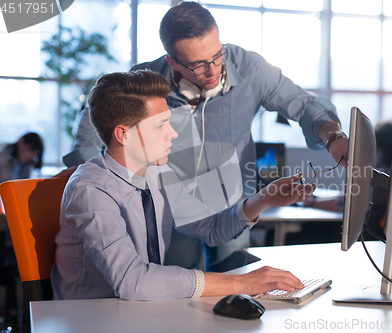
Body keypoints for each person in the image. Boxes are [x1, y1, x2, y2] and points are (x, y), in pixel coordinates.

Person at [63, 1, 349, 271]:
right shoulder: (146, 85)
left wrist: (334, 137)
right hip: (169, 204)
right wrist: (101, 188)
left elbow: (304, 104)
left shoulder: (251, 69)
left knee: (235, 283)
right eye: (199, 64)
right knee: (175, 290)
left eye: (217, 55)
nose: (213, 70)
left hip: (233, 203)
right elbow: (92, 131)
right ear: (173, 63)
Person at [50, 69, 315, 300]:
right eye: (161, 125)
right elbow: (133, 281)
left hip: (144, 312)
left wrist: (264, 199)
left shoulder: (159, 173)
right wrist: (241, 283)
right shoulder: (91, 190)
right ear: (123, 134)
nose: (173, 133)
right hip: (90, 319)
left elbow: (211, 229)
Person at [304, 121, 392, 241]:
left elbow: (348, 203)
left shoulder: (385, 179)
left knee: (306, 230)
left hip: (364, 237)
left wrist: (312, 203)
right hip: (366, 234)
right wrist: (315, 199)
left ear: (382, 151)